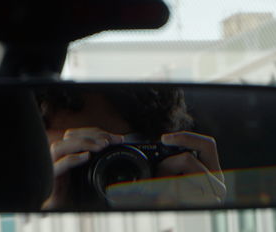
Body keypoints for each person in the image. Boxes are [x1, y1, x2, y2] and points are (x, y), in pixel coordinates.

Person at [35, 85, 225, 210]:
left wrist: (202, 218)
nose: (110, 176)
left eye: (122, 158)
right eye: (77, 156)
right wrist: (48, 210)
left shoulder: (167, 200)